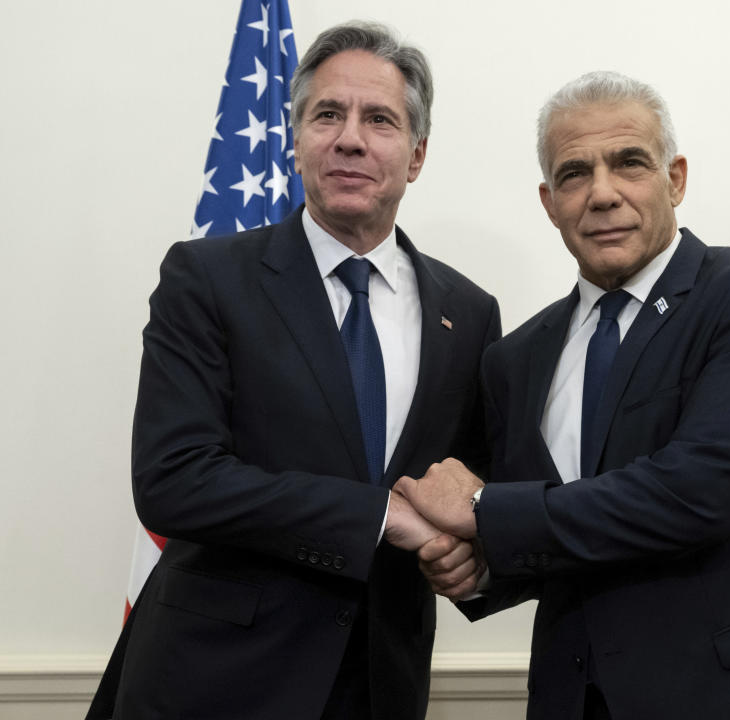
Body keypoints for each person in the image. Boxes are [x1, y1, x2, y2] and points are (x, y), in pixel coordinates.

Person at [396, 71, 730, 719]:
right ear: (549, 200)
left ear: (676, 178)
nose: (602, 194)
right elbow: (549, 527)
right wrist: (479, 568)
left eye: (629, 163)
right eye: (575, 173)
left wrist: (481, 508)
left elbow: (697, 493)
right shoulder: (515, 359)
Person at [87, 21, 500, 720]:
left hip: (379, 684)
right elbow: (173, 479)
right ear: (295, 138)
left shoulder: (469, 311)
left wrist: (477, 555)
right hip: (212, 683)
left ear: (417, 154)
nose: (350, 138)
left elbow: (466, 490)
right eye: (327, 115)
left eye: (379, 119)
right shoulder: (208, 278)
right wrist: (382, 518)